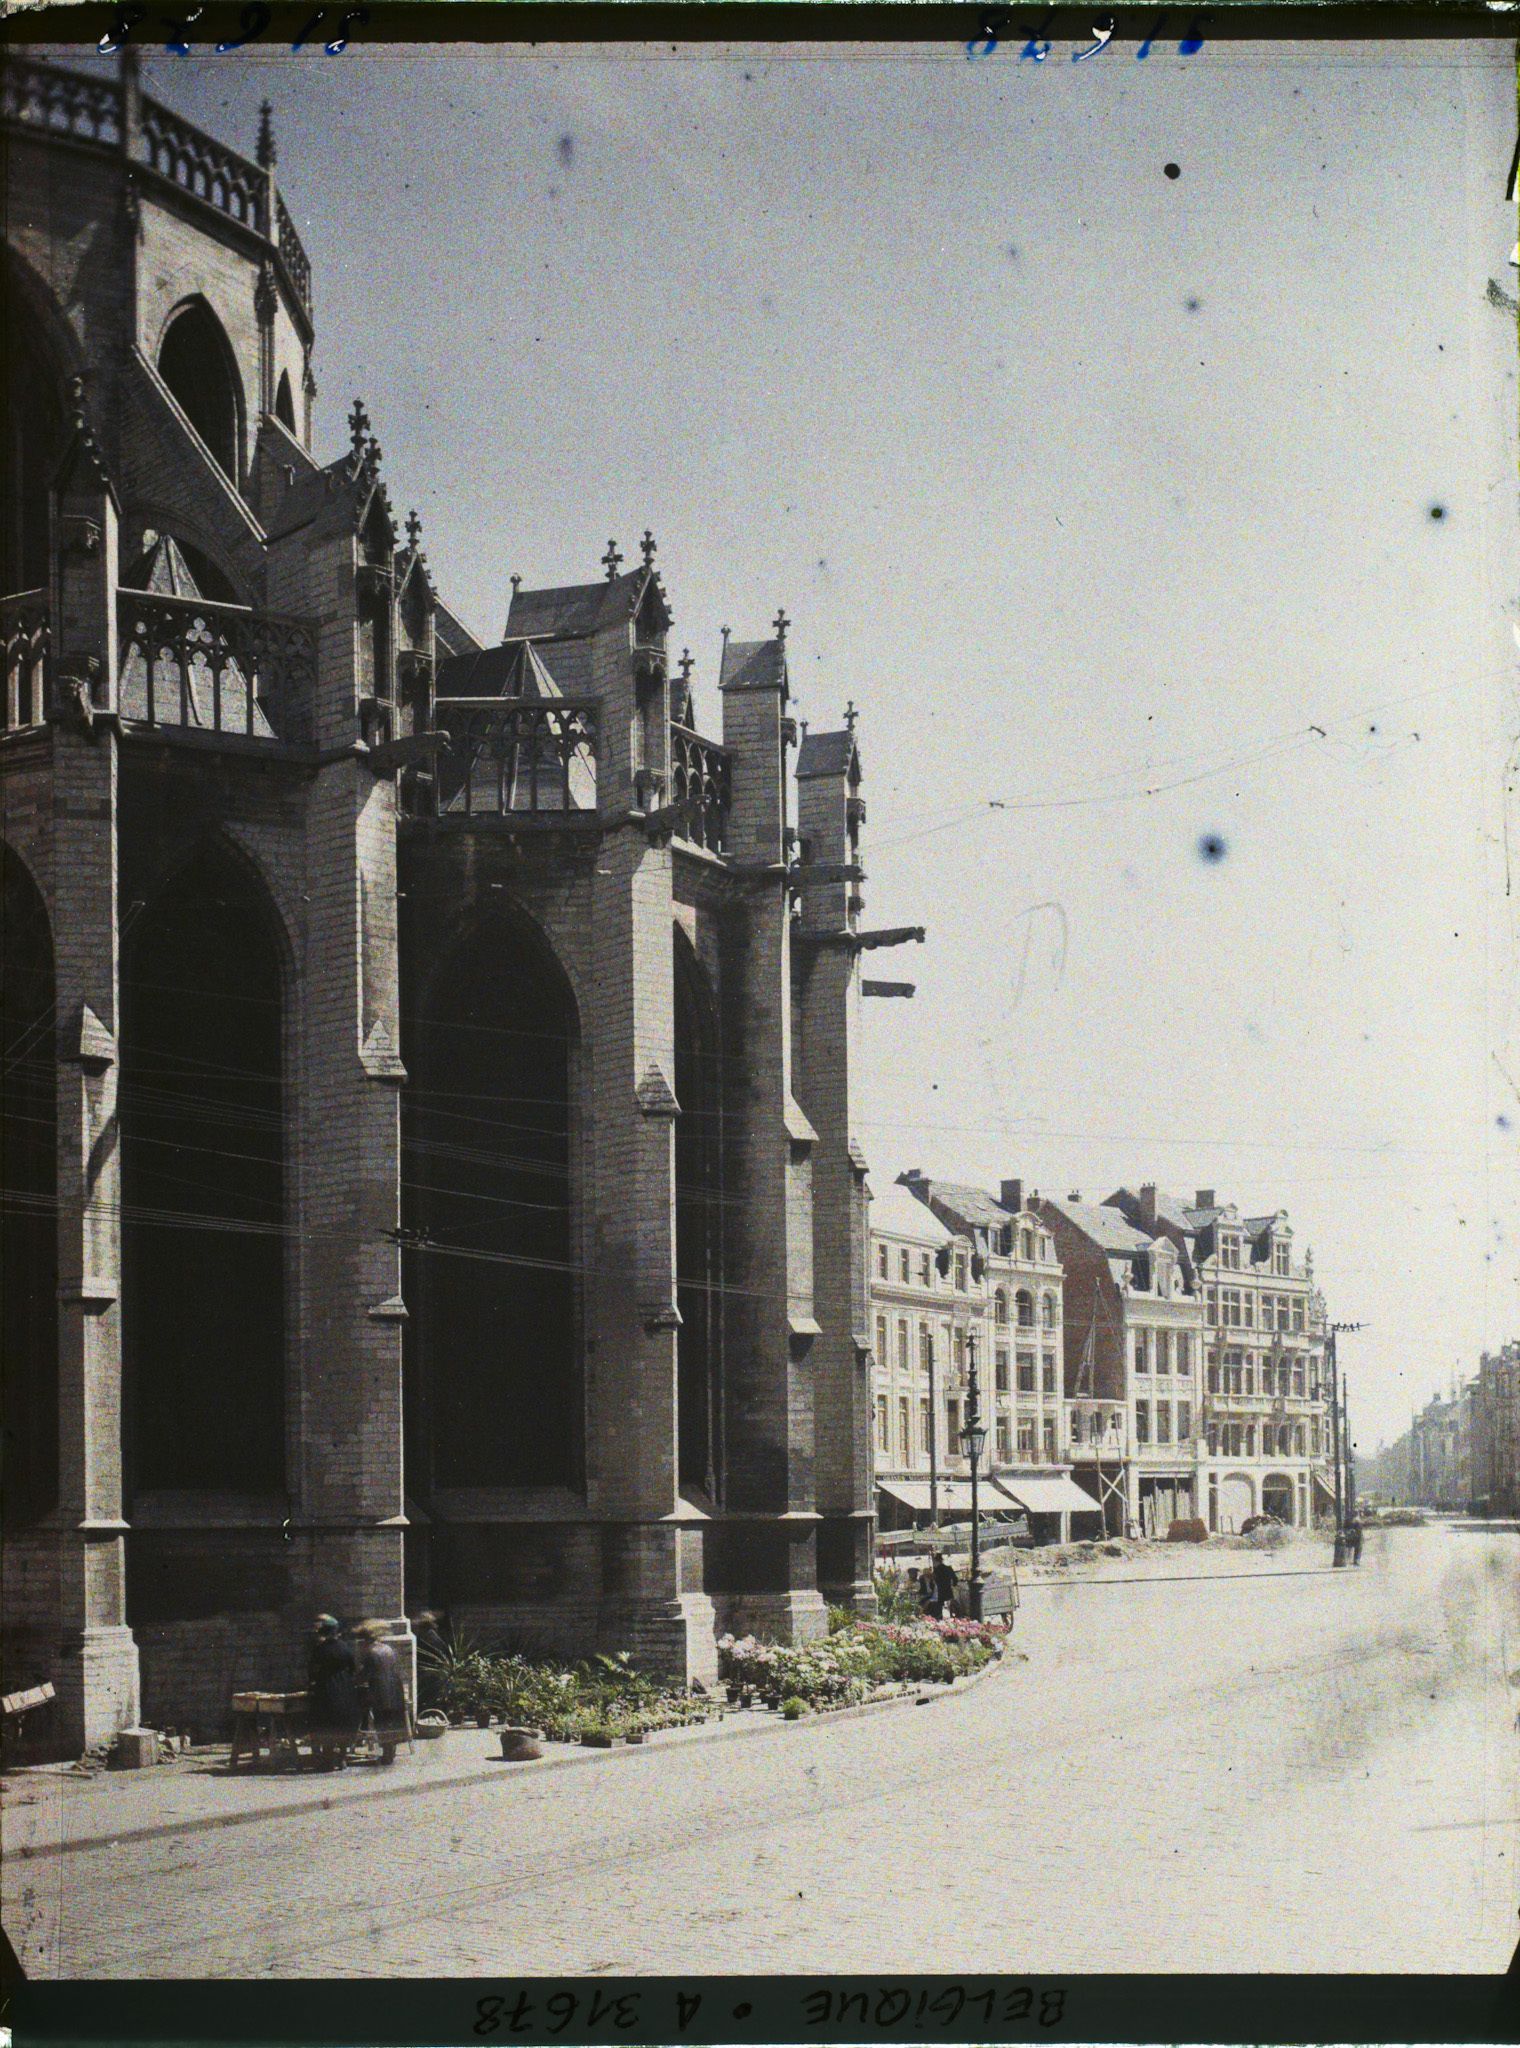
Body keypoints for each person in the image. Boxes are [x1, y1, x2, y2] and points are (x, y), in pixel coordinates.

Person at [305, 1615, 360, 1772]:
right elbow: (353, 1669)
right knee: (343, 1723)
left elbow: (313, 1671)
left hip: (326, 1689)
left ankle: (328, 1759)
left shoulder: (320, 1649)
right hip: (345, 1689)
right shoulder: (346, 1648)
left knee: (325, 1722)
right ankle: (342, 1757)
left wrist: (312, 1683)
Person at [353, 1619, 409, 1765]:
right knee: (391, 1720)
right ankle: (391, 1750)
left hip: (379, 1690)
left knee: (381, 1721)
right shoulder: (388, 1649)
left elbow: (365, 1675)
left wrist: (353, 1681)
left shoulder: (370, 1653)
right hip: (394, 1687)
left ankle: (387, 1753)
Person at [930, 1550, 958, 1621]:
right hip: (948, 1589)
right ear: (942, 1560)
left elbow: (932, 1582)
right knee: (950, 1605)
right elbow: (955, 1579)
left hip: (940, 1590)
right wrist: (953, 1585)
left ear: (936, 1561)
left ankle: (940, 1619)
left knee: (940, 1607)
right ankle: (953, 1619)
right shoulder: (949, 1568)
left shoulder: (936, 1570)